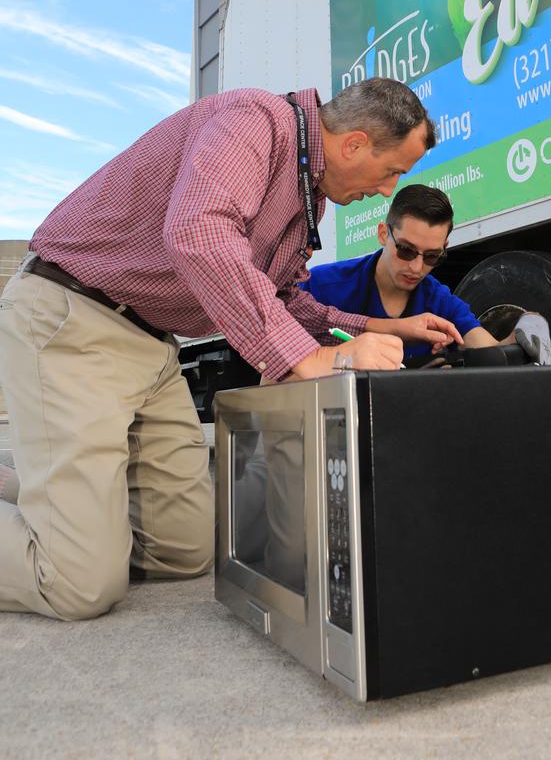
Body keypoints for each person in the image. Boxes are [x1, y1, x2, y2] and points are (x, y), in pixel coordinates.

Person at [0, 79, 462, 621]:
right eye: (393, 172)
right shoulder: (254, 120)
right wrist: (305, 359)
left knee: (186, 549)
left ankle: (52, 495)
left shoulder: (309, 198)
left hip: (153, 346)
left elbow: (286, 299)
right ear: (355, 144)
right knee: (78, 583)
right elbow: (198, 231)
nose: (389, 191)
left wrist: (386, 328)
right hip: (74, 318)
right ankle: (65, 521)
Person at [302, 184, 499, 358]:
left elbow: (490, 350)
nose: (416, 268)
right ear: (383, 234)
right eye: (406, 250)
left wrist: (521, 332)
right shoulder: (320, 285)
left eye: (432, 256)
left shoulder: (440, 300)